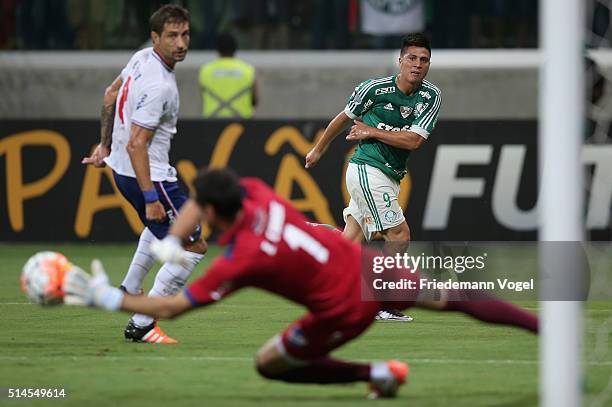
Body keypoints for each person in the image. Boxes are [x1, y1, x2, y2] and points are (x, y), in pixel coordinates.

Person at [64, 168, 538, 399]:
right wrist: (169, 243)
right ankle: (545, 328)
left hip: (344, 308)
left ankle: (374, 373)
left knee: (269, 364)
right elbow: (204, 198)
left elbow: (169, 309)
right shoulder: (256, 191)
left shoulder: (242, 261)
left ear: (212, 214)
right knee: (454, 297)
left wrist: (105, 297)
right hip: (372, 268)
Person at [81, 4, 207, 343]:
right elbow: (138, 144)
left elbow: (111, 94)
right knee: (194, 245)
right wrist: (151, 196)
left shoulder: (141, 58)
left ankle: (129, 288)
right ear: (155, 37)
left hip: (122, 171)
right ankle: (143, 321)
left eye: (185, 34)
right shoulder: (160, 86)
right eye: (172, 36)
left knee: (158, 230)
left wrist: (104, 147)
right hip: (151, 176)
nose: (181, 43)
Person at [305, 33, 441, 321]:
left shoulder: (431, 97)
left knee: (348, 244)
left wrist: (372, 131)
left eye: (424, 60)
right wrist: (318, 149)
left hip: (390, 174)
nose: (417, 65)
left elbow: (414, 141)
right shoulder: (373, 89)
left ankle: (309, 234)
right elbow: (343, 118)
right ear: (400, 61)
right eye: (412, 58)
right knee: (399, 235)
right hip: (367, 169)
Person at [198, 32, 258, 118]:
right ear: (235, 49)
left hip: (211, 124)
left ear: (217, 50)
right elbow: (255, 100)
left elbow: (203, 98)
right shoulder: (248, 70)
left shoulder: (205, 70)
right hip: (243, 124)